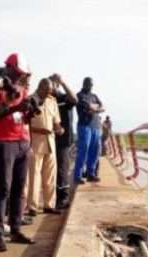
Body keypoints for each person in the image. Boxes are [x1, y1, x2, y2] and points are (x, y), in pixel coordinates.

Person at [0, 53, 36, 252]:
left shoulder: (22, 88)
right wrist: (10, 104)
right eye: (17, 72)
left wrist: (28, 111)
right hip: (4, 142)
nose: (18, 76)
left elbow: (23, 116)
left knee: (19, 188)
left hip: (23, 141)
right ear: (8, 67)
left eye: (21, 73)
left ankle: (15, 228)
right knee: (2, 189)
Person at [26, 78, 64, 217]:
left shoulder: (52, 102)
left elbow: (56, 123)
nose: (48, 94)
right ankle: (32, 207)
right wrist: (39, 130)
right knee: (34, 176)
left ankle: (49, 205)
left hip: (50, 142)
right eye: (46, 91)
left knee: (50, 176)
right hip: (35, 143)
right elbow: (25, 124)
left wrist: (60, 129)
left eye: (50, 92)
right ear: (40, 88)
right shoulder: (29, 100)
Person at [49, 74, 77, 209]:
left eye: (53, 83)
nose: (50, 86)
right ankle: (54, 197)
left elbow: (74, 99)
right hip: (49, 138)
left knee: (62, 168)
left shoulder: (63, 98)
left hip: (63, 139)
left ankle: (64, 196)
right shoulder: (47, 99)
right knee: (51, 169)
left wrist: (63, 82)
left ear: (57, 85)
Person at [74, 77, 105, 184]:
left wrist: (94, 108)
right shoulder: (79, 95)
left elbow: (103, 107)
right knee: (83, 150)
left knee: (94, 151)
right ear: (84, 84)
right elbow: (88, 106)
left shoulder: (94, 96)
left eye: (92, 84)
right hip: (84, 126)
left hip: (95, 126)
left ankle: (91, 174)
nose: (90, 86)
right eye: (89, 84)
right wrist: (96, 107)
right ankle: (78, 175)